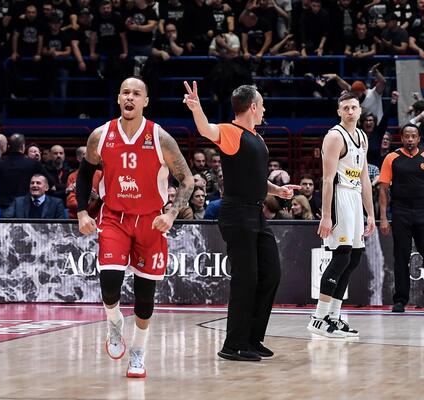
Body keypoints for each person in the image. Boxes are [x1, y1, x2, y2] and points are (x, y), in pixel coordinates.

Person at [76, 77, 193, 378]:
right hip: (114, 217)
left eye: (136, 93)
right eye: (125, 92)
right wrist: (81, 212)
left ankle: (138, 352)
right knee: (109, 285)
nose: (130, 97)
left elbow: (188, 179)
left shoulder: (160, 137)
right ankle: (114, 322)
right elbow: (85, 172)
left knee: (144, 296)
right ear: (118, 98)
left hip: (151, 220)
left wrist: (172, 213)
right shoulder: (100, 135)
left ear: (145, 101)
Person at [183, 82, 298, 361]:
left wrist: (277, 190)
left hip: (256, 213)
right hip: (237, 213)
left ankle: (251, 339)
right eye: (262, 105)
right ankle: (233, 344)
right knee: (245, 279)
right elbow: (206, 130)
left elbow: (256, 178)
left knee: (270, 273)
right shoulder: (231, 132)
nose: (265, 109)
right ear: (253, 107)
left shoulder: (256, 137)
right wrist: (197, 109)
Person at [308, 93, 376, 338]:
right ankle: (318, 318)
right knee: (341, 257)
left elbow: (365, 177)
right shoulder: (335, 136)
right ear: (339, 112)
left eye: (353, 107)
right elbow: (327, 179)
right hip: (339, 197)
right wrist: (326, 215)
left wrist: (370, 213)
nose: (350, 111)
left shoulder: (362, 136)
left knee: (353, 257)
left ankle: (333, 317)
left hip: (355, 197)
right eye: (345, 108)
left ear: (360, 111)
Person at [379, 124, 424, 313]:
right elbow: (383, 189)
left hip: (422, 211)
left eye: (413, 136)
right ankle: (400, 300)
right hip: (401, 212)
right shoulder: (392, 157)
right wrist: (383, 218)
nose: (410, 139)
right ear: (402, 138)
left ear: (419, 138)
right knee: (401, 257)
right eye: (407, 136)